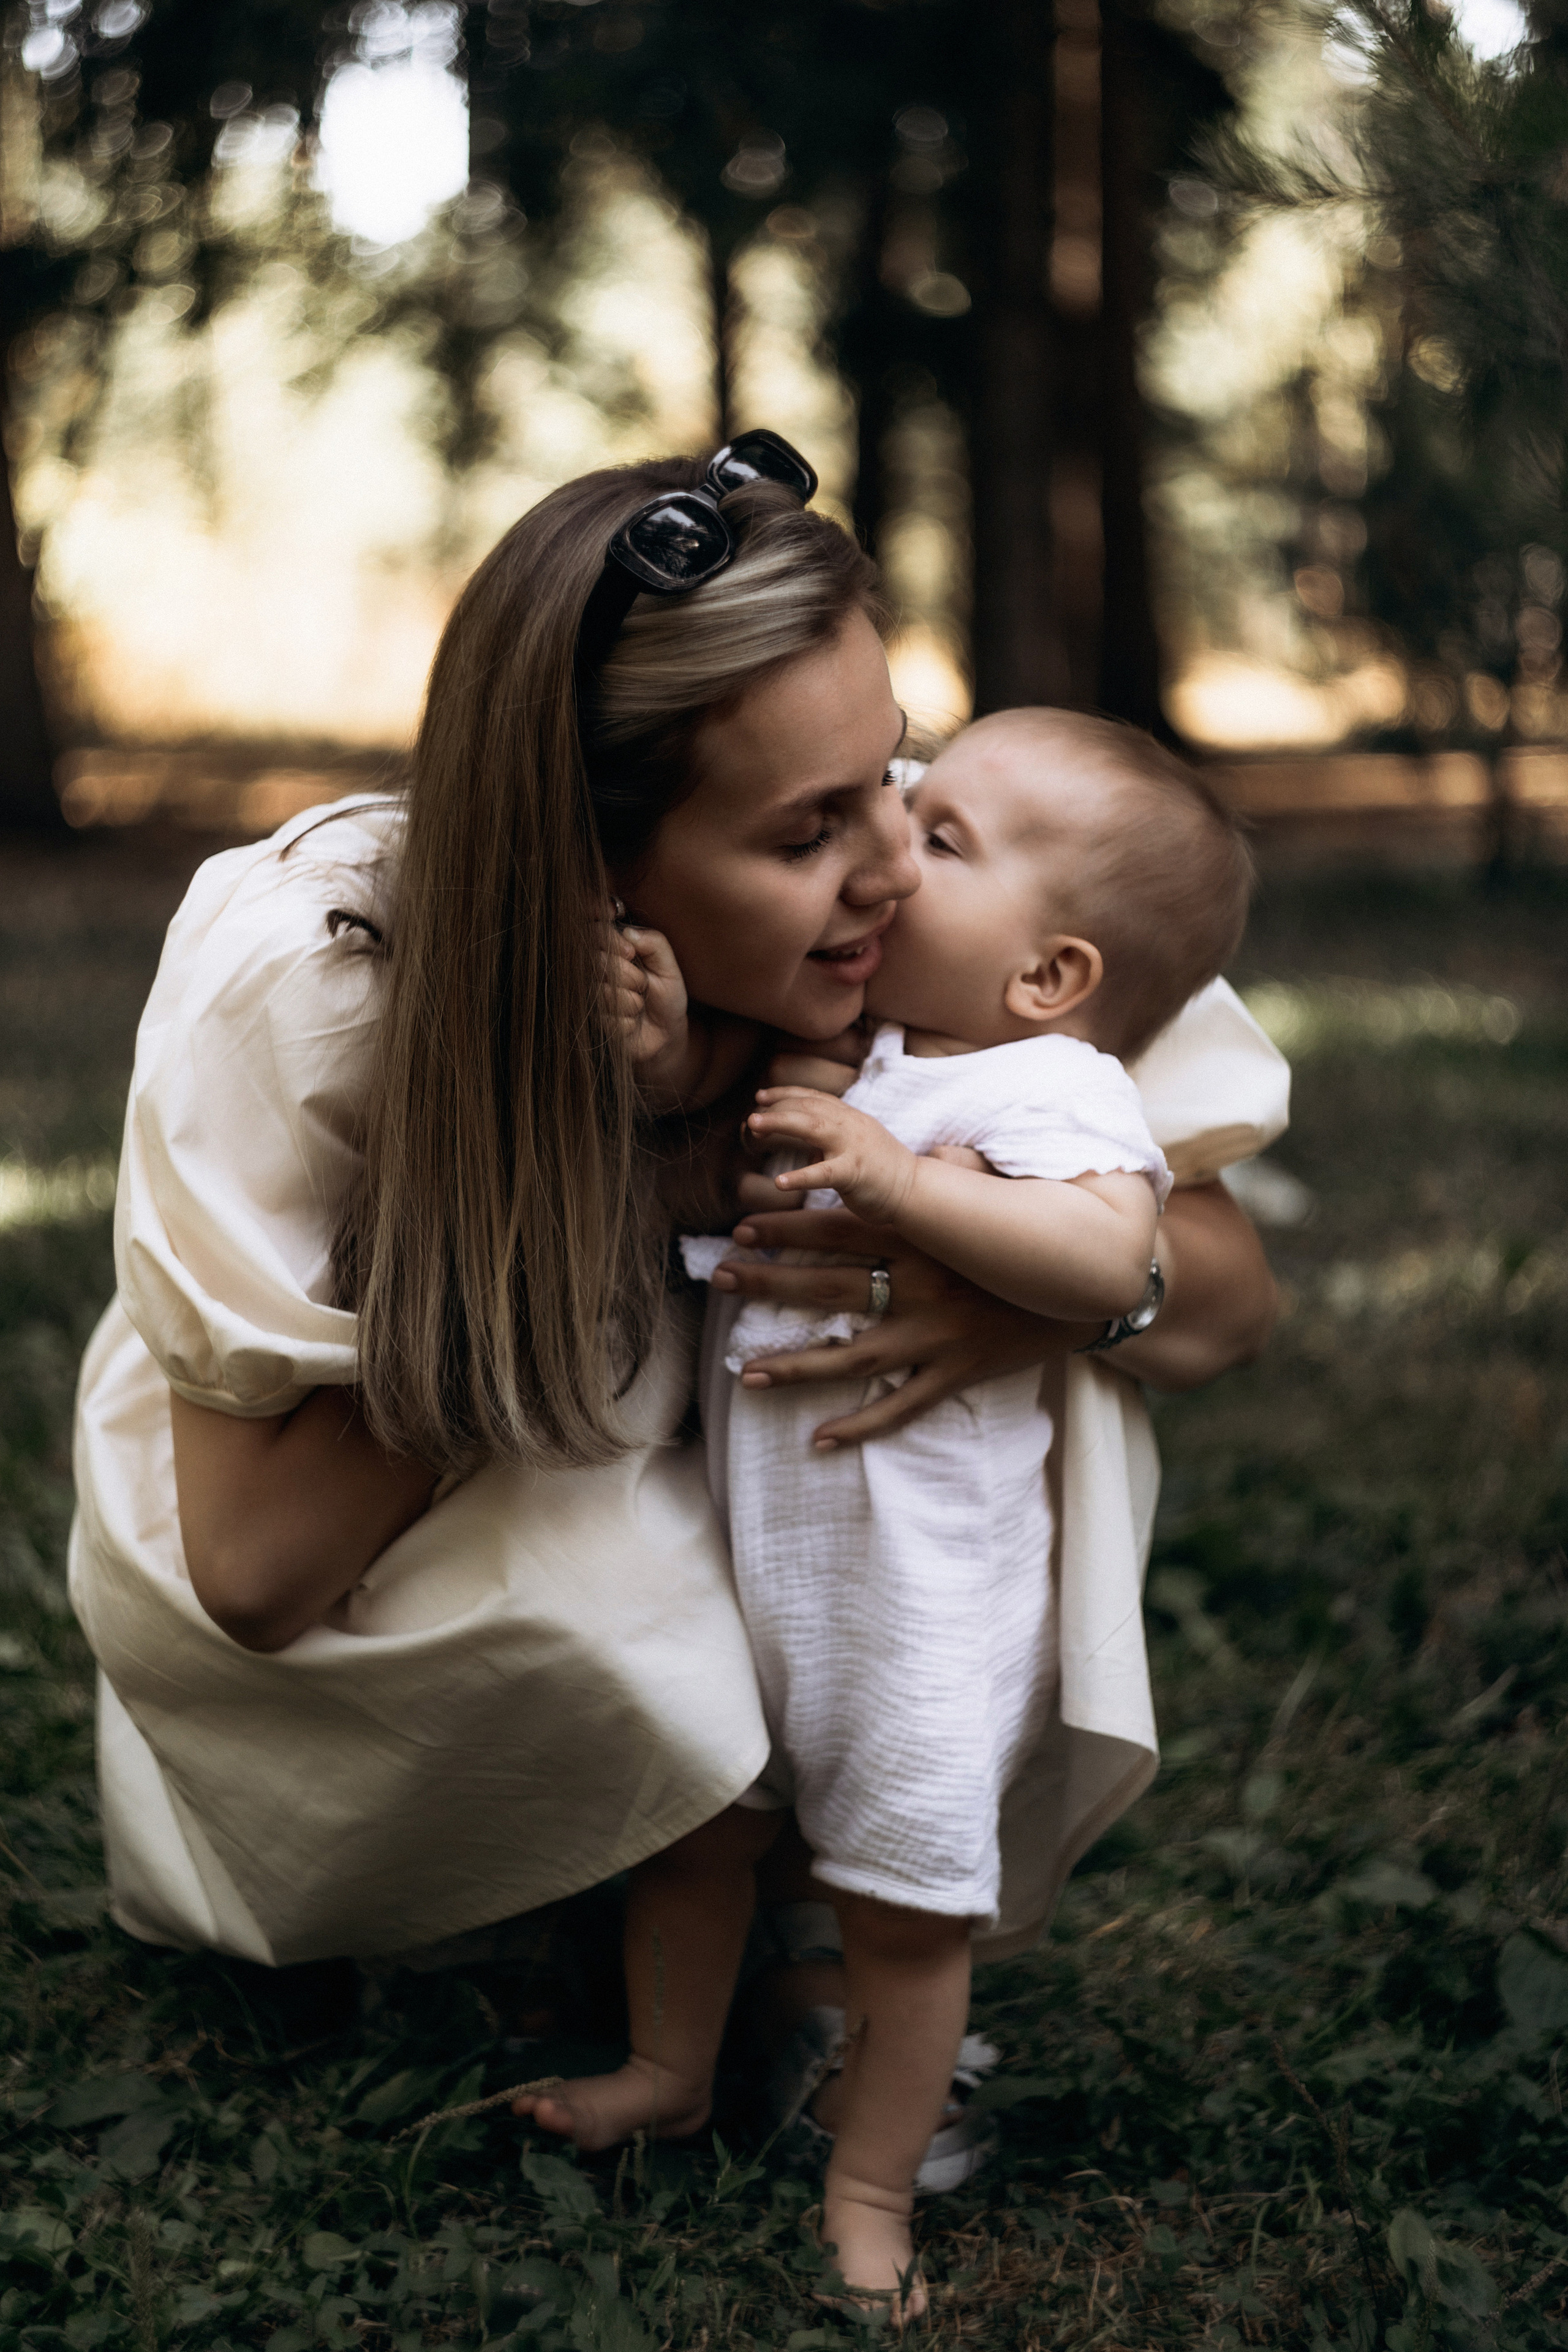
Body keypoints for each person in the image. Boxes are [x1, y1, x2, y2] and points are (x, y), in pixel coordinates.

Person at [69, 439, 1281, 2119]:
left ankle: (805, 1884)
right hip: (386, 1475)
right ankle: (529, 1874)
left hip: (737, 1408)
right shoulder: (312, 983)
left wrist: (1018, 1283)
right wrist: (638, 1173)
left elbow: (1220, 1291)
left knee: (1063, 1363)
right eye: (811, 829)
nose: (890, 864)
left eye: (893, 776)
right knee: (649, 1553)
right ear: (592, 863)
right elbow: (260, 1570)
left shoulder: (940, 865)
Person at [527, 710, 1251, 2315]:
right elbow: (697, 1108)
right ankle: (671, 2066)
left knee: (907, 1926)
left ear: (1050, 975)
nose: (887, 844)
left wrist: (908, 1187)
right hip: (758, 1577)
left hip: (920, 1619)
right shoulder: (857, 1042)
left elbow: (1098, 1256)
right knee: (697, 1828)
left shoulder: (1052, 1088)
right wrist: (655, 1054)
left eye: (940, 835)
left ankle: (869, 2192)